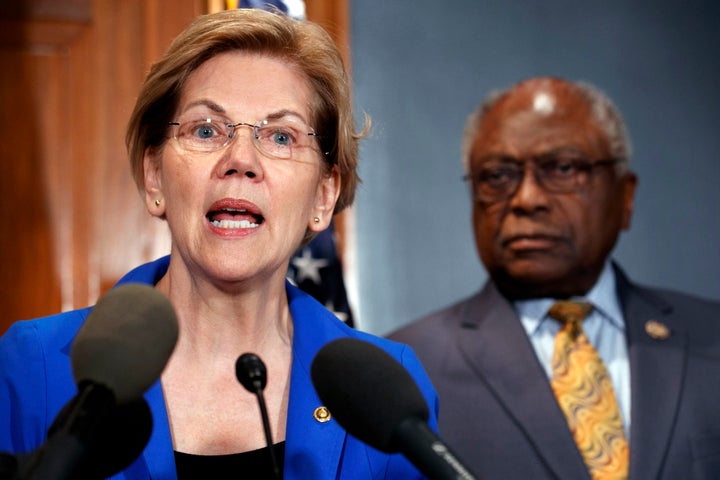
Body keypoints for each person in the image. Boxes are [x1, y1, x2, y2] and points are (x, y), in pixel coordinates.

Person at [0, 8, 438, 479]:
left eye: (281, 136)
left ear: (323, 196)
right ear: (154, 177)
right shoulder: (31, 365)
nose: (241, 160)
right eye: (206, 130)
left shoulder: (391, 397)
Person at [389, 76, 720, 480]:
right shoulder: (405, 368)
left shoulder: (711, 336)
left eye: (563, 168)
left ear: (626, 197)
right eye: (496, 176)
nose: (527, 199)